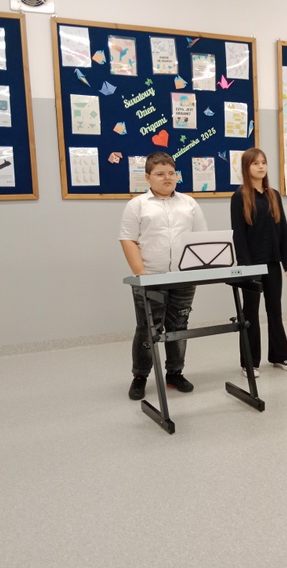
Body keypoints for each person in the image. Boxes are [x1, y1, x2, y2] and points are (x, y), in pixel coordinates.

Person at [119, 151, 207, 399]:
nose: (167, 178)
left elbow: (201, 238)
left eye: (171, 173)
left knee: (179, 326)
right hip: (151, 277)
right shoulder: (137, 205)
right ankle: (140, 376)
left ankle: (175, 373)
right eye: (160, 174)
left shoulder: (189, 203)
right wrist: (141, 275)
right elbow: (128, 239)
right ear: (148, 177)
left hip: (183, 277)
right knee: (148, 328)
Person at [230, 148, 287, 377]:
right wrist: (247, 268)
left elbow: (283, 229)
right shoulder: (240, 196)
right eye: (255, 163)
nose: (261, 166)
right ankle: (250, 362)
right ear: (246, 167)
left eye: (263, 162)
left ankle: (279, 356)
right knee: (250, 313)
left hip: (272, 263)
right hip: (251, 265)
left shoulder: (273, 195)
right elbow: (239, 235)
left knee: (275, 310)